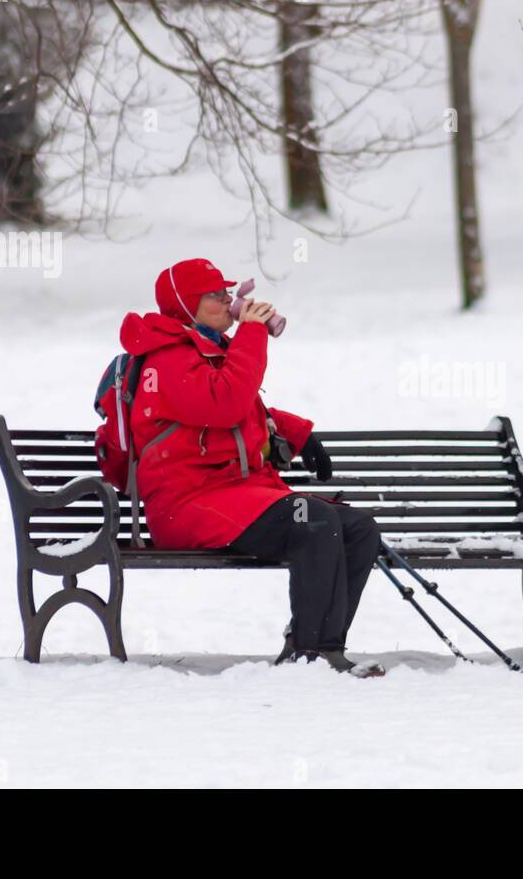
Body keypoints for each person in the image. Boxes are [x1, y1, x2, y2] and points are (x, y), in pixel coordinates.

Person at [117, 257, 384, 678]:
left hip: (233, 493)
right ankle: (309, 658)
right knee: (313, 521)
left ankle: (320, 647)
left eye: (228, 293)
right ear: (188, 305)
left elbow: (241, 408)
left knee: (358, 528)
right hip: (187, 503)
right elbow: (224, 403)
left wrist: (297, 433)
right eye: (216, 296)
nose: (228, 301)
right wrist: (253, 332)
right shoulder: (167, 358)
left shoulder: (204, 350)